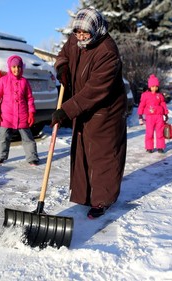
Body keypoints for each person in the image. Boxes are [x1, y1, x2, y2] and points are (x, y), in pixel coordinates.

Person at [51, 8, 127, 219]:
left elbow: (95, 90)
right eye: (77, 33)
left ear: (95, 29)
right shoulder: (76, 39)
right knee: (83, 151)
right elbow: (63, 55)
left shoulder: (107, 52)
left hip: (106, 110)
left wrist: (65, 110)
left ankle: (102, 201)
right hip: (83, 105)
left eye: (85, 33)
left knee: (102, 155)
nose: (81, 37)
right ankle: (85, 196)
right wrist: (62, 68)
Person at [0, 55, 39, 166]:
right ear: (9, 67)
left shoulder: (24, 82)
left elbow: (30, 98)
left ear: (22, 68)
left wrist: (31, 113)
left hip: (22, 115)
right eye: (14, 67)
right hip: (6, 116)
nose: (16, 69)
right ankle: (0, 157)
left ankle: (32, 158)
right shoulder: (3, 81)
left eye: (18, 67)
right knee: (3, 137)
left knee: (28, 138)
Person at [137, 74, 169, 154]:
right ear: (149, 86)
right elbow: (141, 105)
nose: (154, 88)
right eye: (152, 86)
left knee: (160, 132)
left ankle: (160, 147)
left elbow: (163, 104)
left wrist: (165, 113)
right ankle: (149, 147)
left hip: (159, 116)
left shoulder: (160, 95)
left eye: (156, 86)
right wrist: (140, 115)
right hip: (150, 117)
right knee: (149, 132)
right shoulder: (145, 95)